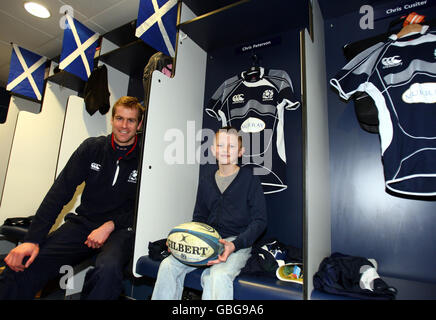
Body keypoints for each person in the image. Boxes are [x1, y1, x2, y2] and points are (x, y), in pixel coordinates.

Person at [0, 96, 144, 300]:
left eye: (131, 120)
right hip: (85, 223)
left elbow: (144, 208)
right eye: (120, 118)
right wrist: (32, 240)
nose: (124, 125)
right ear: (112, 120)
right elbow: (59, 193)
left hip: (120, 228)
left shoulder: (145, 158)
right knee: (29, 261)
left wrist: (111, 225)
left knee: (108, 270)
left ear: (139, 125)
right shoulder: (92, 148)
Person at [152, 126, 267, 300]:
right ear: (213, 150)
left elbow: (260, 221)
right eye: (221, 145)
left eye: (232, 146)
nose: (226, 150)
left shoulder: (250, 180)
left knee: (217, 276)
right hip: (207, 241)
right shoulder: (206, 181)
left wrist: (235, 245)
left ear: (241, 151)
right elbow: (198, 218)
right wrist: (180, 241)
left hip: (236, 244)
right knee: (167, 265)